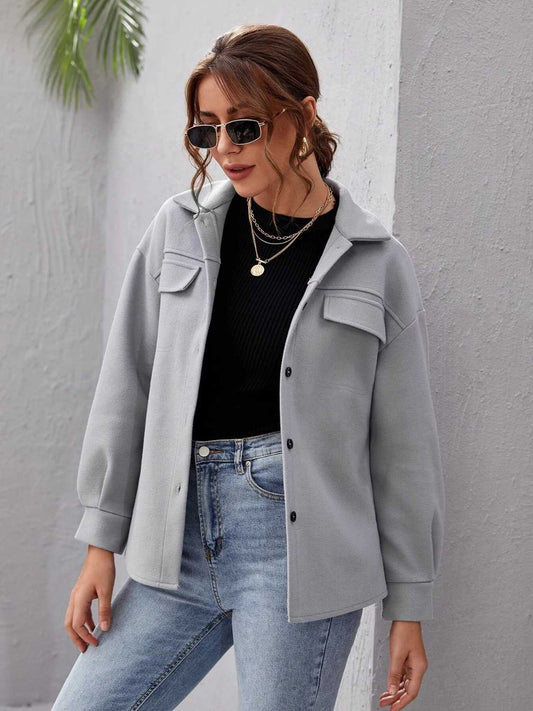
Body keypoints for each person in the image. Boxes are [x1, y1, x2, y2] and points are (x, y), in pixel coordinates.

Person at [52, 23, 445, 711]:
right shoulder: (178, 229)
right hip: (175, 541)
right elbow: (127, 384)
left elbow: (404, 449)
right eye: (207, 130)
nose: (225, 149)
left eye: (243, 126)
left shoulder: (376, 263)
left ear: (304, 115)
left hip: (300, 559)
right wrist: (99, 543)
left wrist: (407, 608)